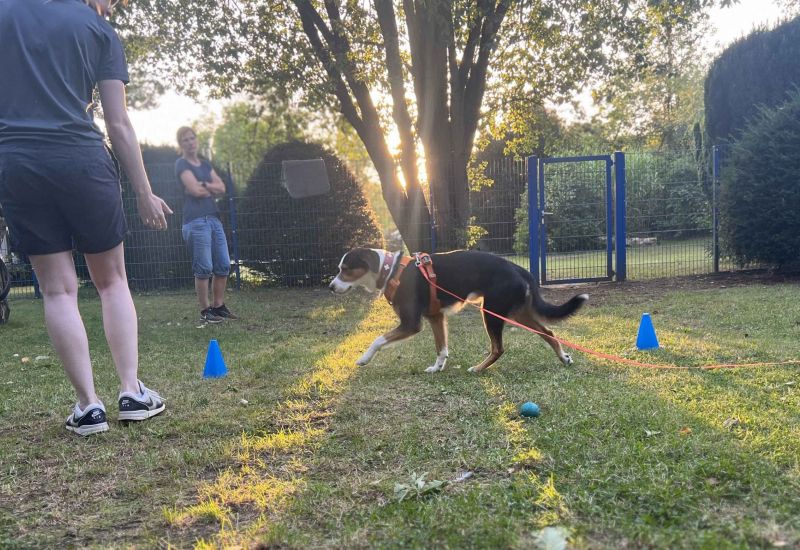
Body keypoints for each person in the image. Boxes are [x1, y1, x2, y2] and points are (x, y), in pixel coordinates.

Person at [0, 0, 173, 435]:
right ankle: (132, 392)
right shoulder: (97, 28)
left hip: (17, 162)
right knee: (112, 281)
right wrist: (144, 191)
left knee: (57, 290)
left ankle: (88, 407)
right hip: (82, 159)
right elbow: (118, 122)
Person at [174, 126, 237, 323]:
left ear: (197, 140)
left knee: (223, 264)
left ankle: (218, 306)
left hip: (214, 219)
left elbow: (222, 187)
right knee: (204, 267)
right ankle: (205, 310)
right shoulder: (181, 164)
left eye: (192, 138)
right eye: (185, 140)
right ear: (180, 144)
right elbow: (195, 191)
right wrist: (206, 188)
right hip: (196, 221)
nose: (190, 142)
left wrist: (205, 186)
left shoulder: (205, 165)